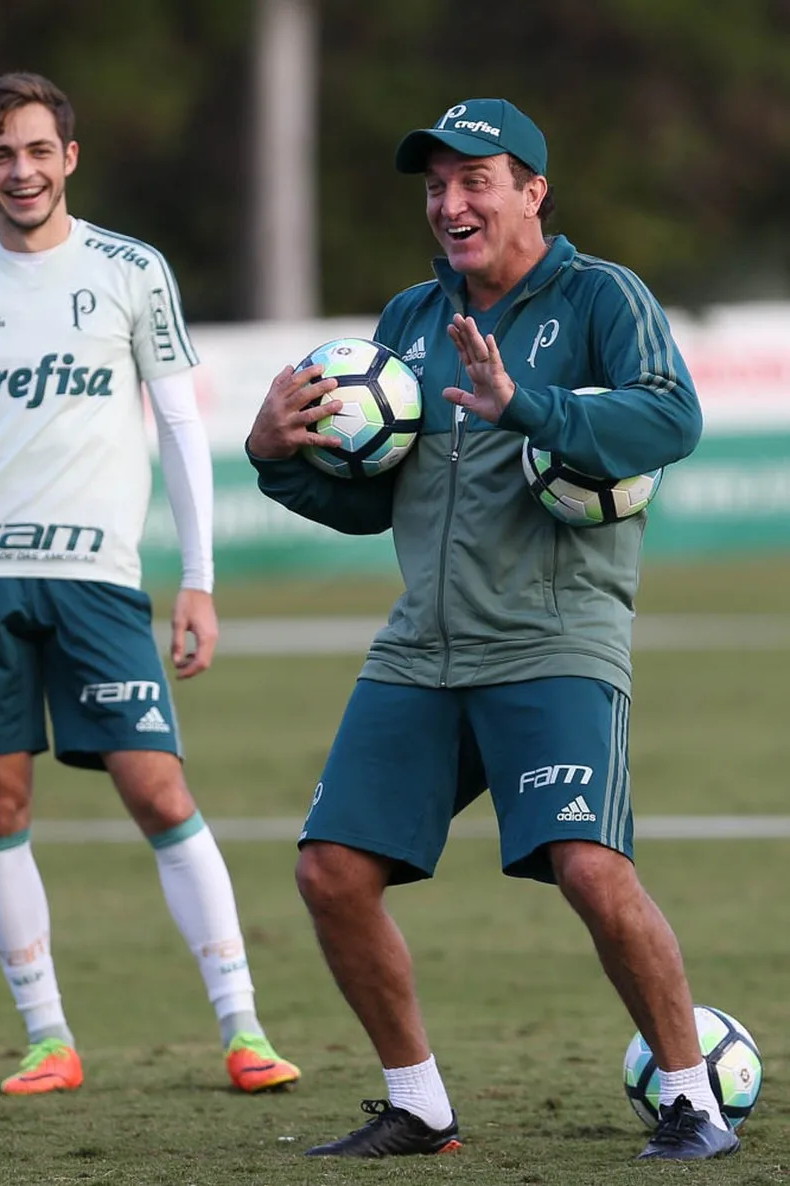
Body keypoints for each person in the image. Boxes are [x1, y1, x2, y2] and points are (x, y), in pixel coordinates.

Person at [246, 98, 737, 1161]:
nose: (450, 202)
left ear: (531, 191)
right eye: (435, 185)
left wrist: (527, 405)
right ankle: (418, 1103)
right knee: (330, 869)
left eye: (475, 179)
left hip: (554, 637)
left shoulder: (603, 296)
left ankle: (691, 1099)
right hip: (422, 644)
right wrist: (277, 458)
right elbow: (374, 499)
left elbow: (671, 416)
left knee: (588, 867)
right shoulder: (407, 321)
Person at [0, 71, 299, 1098]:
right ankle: (48, 1036)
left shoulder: (132, 271)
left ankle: (243, 1026)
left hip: (97, 579)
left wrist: (199, 582)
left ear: (68, 157)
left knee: (156, 785)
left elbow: (176, 426)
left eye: (38, 150)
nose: (21, 170)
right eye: (0, 155)